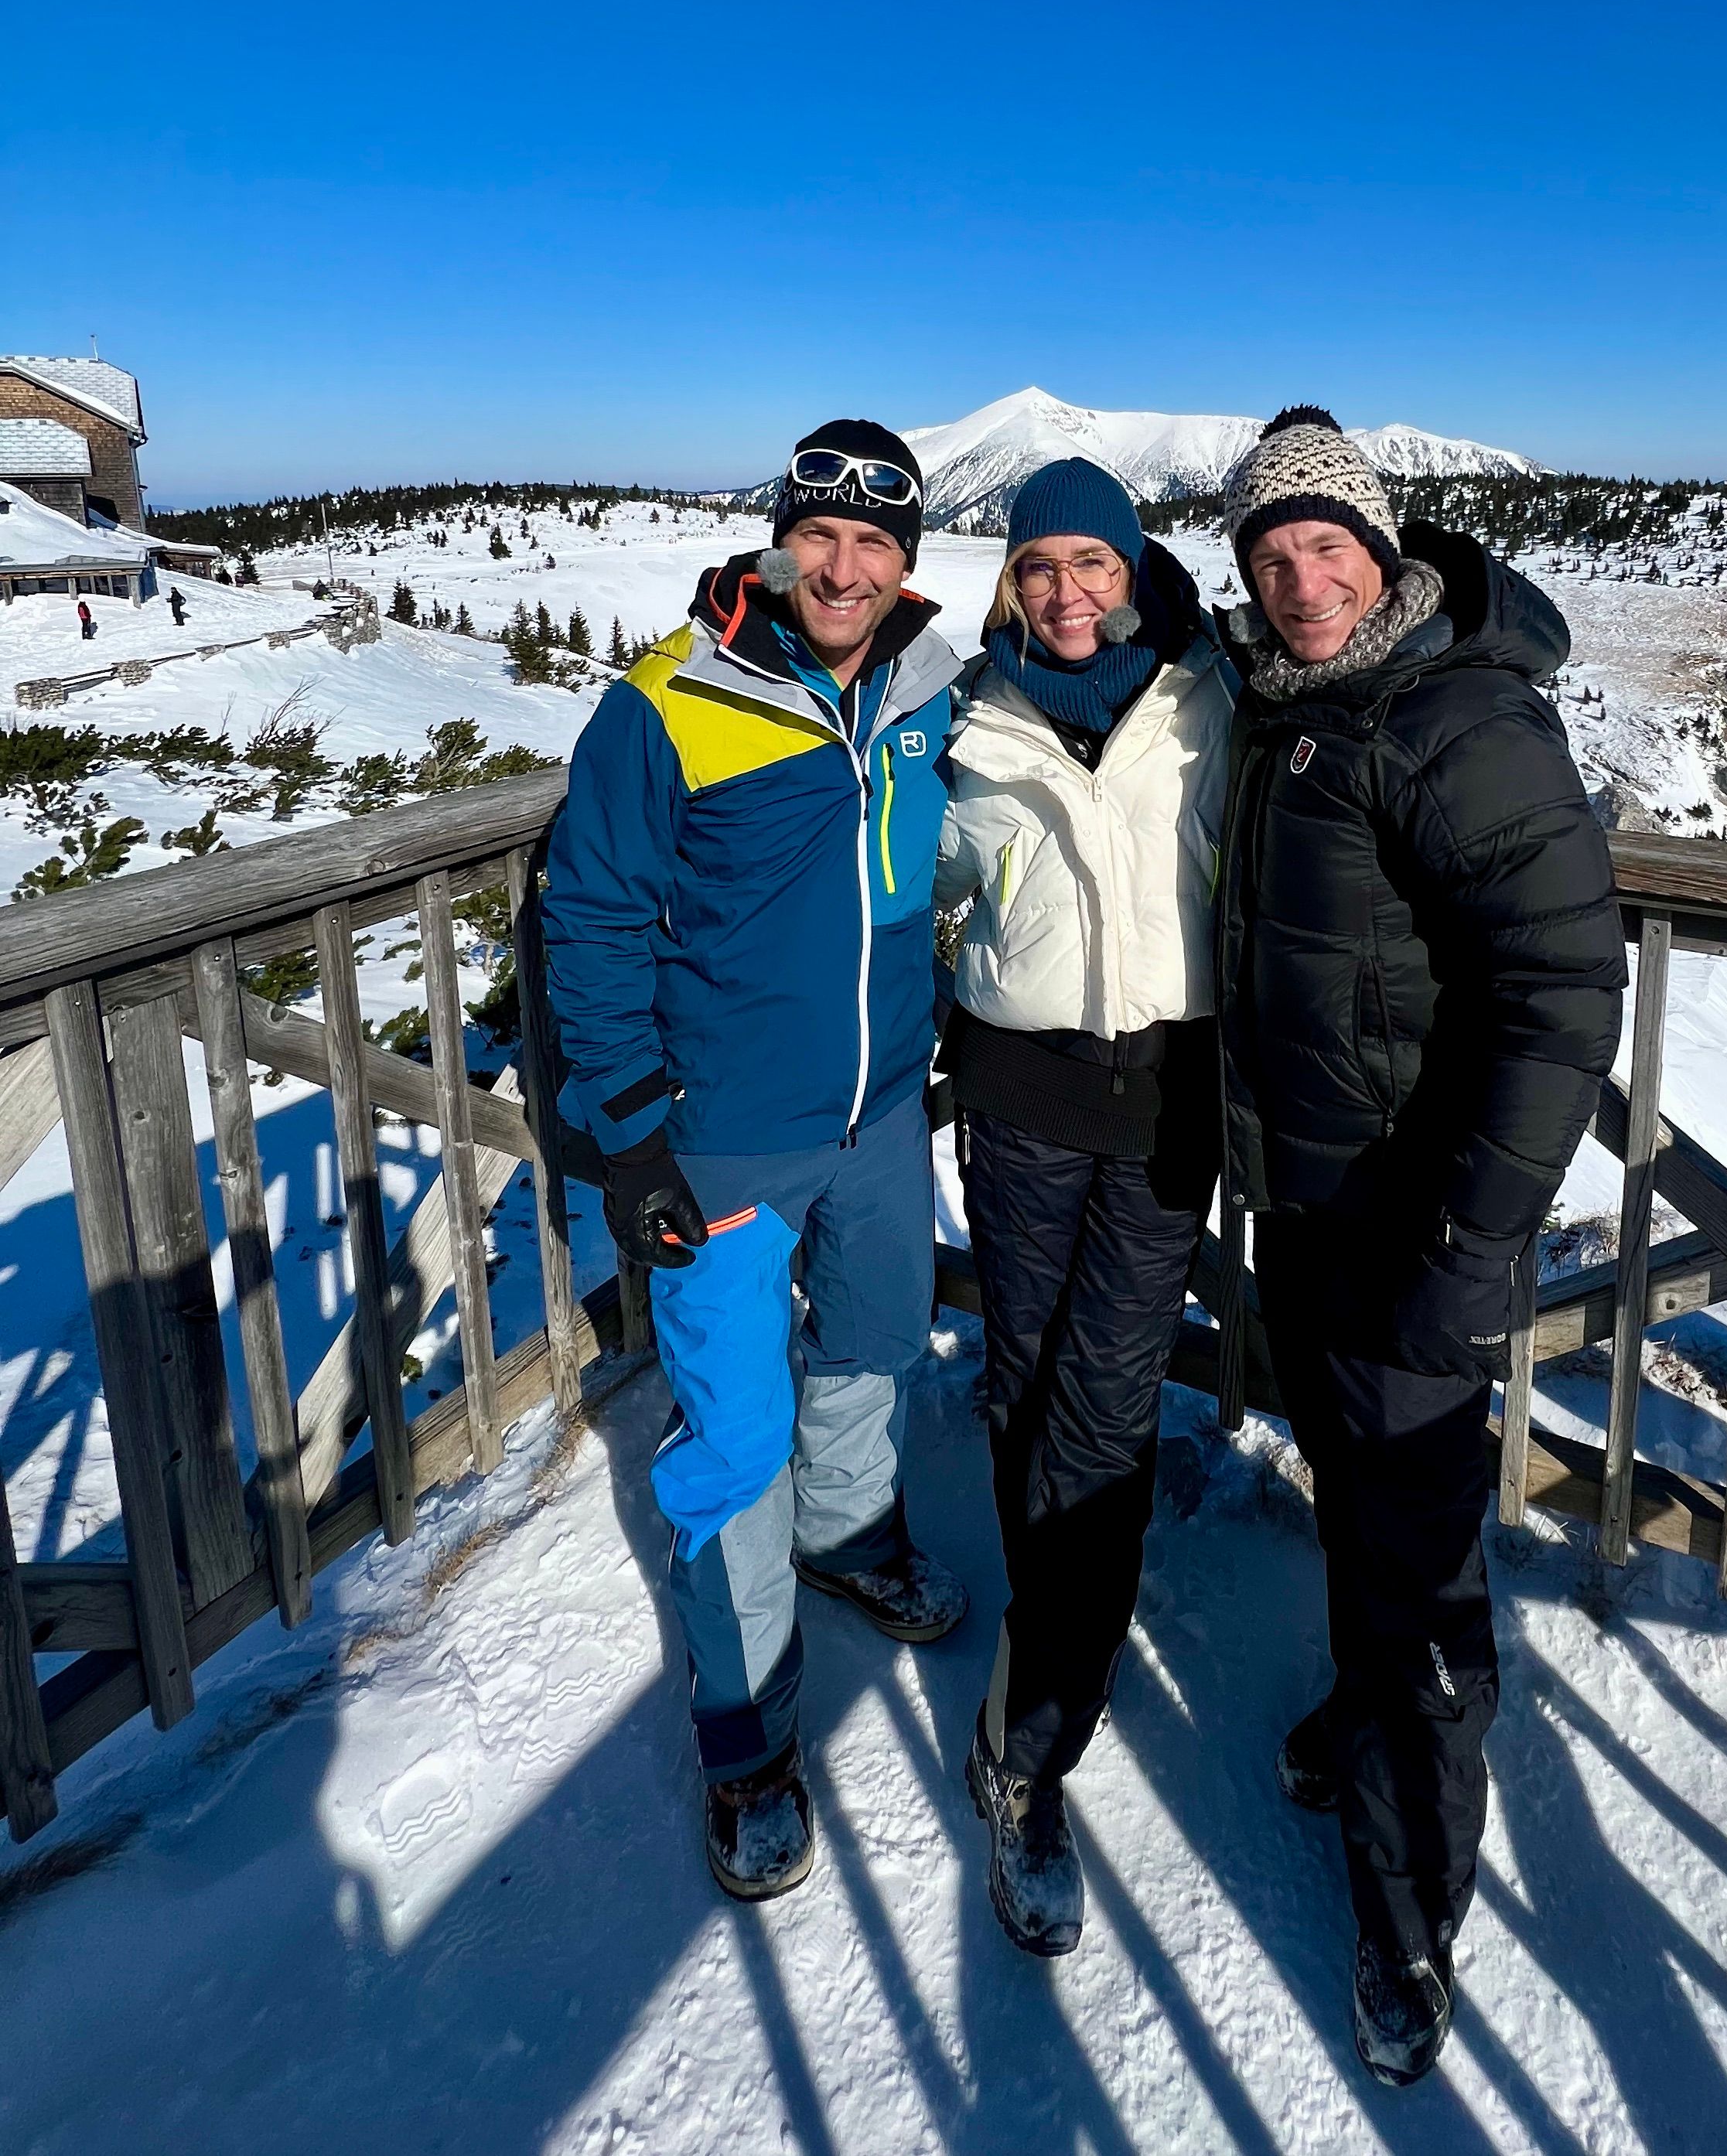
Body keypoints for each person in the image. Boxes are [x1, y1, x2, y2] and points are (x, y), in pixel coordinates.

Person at [1213, 408, 1625, 2086]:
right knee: (1365, 1516)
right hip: (1313, 1211)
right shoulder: (1285, 711)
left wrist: (1471, 1241)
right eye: (1273, 551)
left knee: (1428, 1583)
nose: (1304, 580)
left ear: (1384, 556)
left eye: (1332, 547)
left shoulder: (1457, 717)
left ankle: (1408, 1917)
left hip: (1414, 1231)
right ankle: (1356, 1713)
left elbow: (1559, 996)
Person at [542, 418, 971, 1903]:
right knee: (735, 1435)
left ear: (908, 559)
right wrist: (631, 1131)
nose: (845, 567)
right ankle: (748, 1744)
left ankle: (852, 1539)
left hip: (880, 1121)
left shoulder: (927, 689)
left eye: (877, 543)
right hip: (721, 1135)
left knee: (869, 1348)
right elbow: (588, 917)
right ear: (782, 539)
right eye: (822, 536)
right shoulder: (668, 704)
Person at [934, 459, 1236, 1956]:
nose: (1067, 591)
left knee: (1106, 1404)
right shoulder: (957, 713)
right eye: (1039, 564)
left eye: (1092, 563)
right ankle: (1051, 1649)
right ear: (1011, 577)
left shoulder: (1213, 694)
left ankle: (1032, 1736)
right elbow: (893, 881)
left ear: (1133, 566)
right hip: (1018, 1093)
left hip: (1168, 1100)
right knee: (1023, 1382)